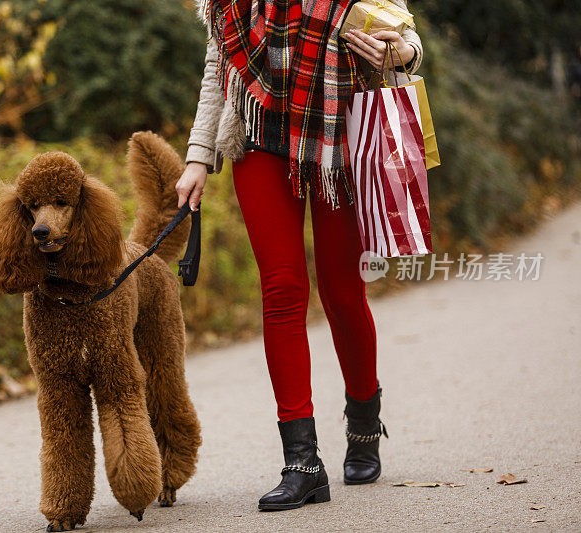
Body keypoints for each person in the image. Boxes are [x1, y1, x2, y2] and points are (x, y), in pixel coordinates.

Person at [176, 0, 423, 511]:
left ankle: (362, 423)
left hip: (341, 130)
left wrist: (400, 52)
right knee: (283, 289)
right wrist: (199, 156)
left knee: (341, 291)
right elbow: (218, 63)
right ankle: (303, 463)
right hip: (257, 133)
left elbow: (404, 33)